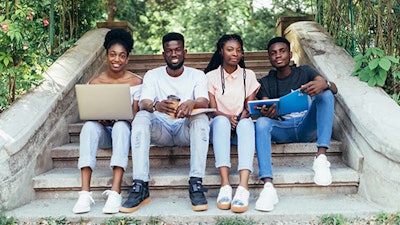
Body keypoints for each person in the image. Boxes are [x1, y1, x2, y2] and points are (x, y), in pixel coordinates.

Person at [120, 32, 210, 213]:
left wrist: (191, 103)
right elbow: (144, 102)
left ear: (185, 52)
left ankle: (196, 183)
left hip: (185, 129)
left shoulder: (197, 75)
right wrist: (156, 105)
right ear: (163, 54)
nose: (174, 54)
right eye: (169, 51)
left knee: (201, 118)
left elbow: (205, 102)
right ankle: (140, 185)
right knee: (141, 117)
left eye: (177, 50)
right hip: (161, 130)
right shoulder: (153, 75)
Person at [254, 36, 338, 212]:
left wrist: (324, 84)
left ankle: (321, 158)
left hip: (306, 125)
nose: (278, 55)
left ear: (290, 54)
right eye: (273, 53)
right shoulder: (265, 82)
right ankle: (268, 186)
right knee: (261, 123)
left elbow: (334, 88)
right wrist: (267, 110)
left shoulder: (305, 71)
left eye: (282, 51)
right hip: (282, 129)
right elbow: (265, 103)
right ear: (269, 58)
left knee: (326, 94)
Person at [72, 28, 143, 214]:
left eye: (121, 56)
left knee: (120, 126)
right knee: (88, 127)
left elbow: (136, 119)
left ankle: (115, 191)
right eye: (112, 55)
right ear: (106, 56)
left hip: (123, 131)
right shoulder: (95, 82)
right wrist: (99, 118)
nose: (116, 60)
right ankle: (85, 193)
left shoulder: (137, 82)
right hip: (103, 131)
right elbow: (88, 112)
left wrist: (121, 117)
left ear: (127, 59)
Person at [204, 34, 260, 213]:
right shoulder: (210, 76)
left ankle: (243, 187)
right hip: (220, 125)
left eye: (238, 50)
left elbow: (249, 107)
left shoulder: (248, 75)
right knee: (220, 121)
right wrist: (227, 117)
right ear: (221, 51)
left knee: (247, 123)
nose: (234, 53)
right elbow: (212, 110)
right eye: (230, 49)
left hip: (240, 124)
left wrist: (242, 116)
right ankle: (225, 185)